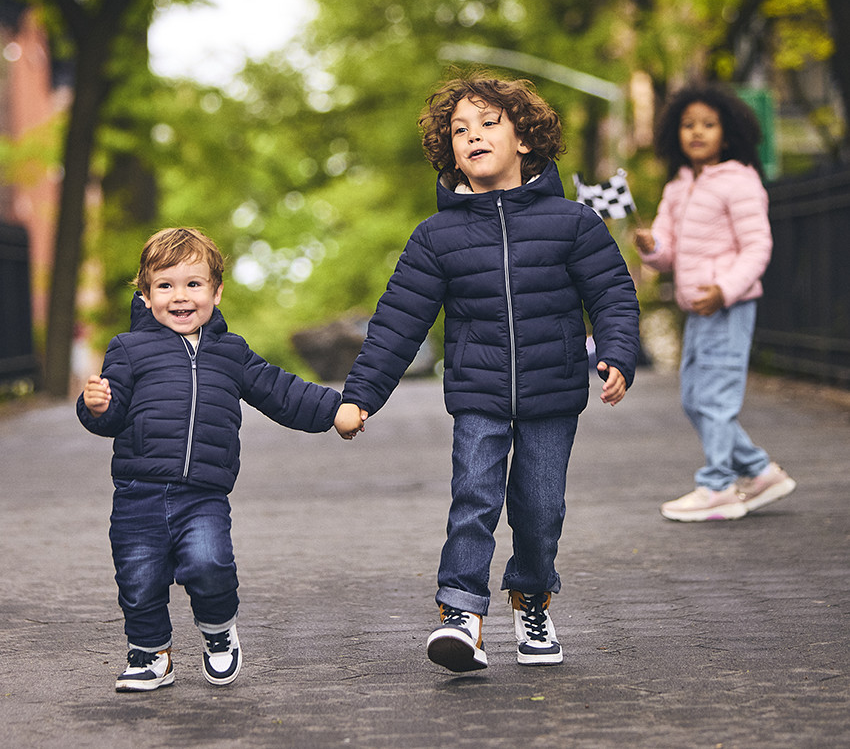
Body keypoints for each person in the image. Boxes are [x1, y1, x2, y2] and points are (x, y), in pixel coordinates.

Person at [340, 74, 641, 672]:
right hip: (478, 394)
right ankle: (462, 615)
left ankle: (531, 596)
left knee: (539, 508)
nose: (471, 136)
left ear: (525, 138)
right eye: (458, 130)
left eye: (487, 123)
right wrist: (360, 398)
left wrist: (617, 353)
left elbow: (612, 294)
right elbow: (399, 321)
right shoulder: (437, 238)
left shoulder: (574, 223)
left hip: (553, 392)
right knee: (473, 497)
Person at [77, 227, 364, 692]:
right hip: (138, 493)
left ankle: (218, 633)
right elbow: (108, 417)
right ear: (146, 295)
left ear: (216, 291)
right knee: (138, 576)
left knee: (210, 565)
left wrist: (335, 410)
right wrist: (96, 405)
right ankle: (150, 655)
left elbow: (280, 391)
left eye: (194, 284)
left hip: (203, 494)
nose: (180, 297)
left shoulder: (231, 353)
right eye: (165, 286)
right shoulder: (128, 351)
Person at [634, 85, 796, 523]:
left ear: (727, 133)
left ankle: (718, 484)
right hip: (698, 310)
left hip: (729, 305)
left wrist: (726, 289)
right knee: (694, 398)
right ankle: (760, 472)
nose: (697, 133)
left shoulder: (739, 181)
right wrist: (651, 245)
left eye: (708, 124)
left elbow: (758, 246)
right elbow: (667, 253)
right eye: (688, 125)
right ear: (675, 133)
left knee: (716, 399)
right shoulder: (678, 187)